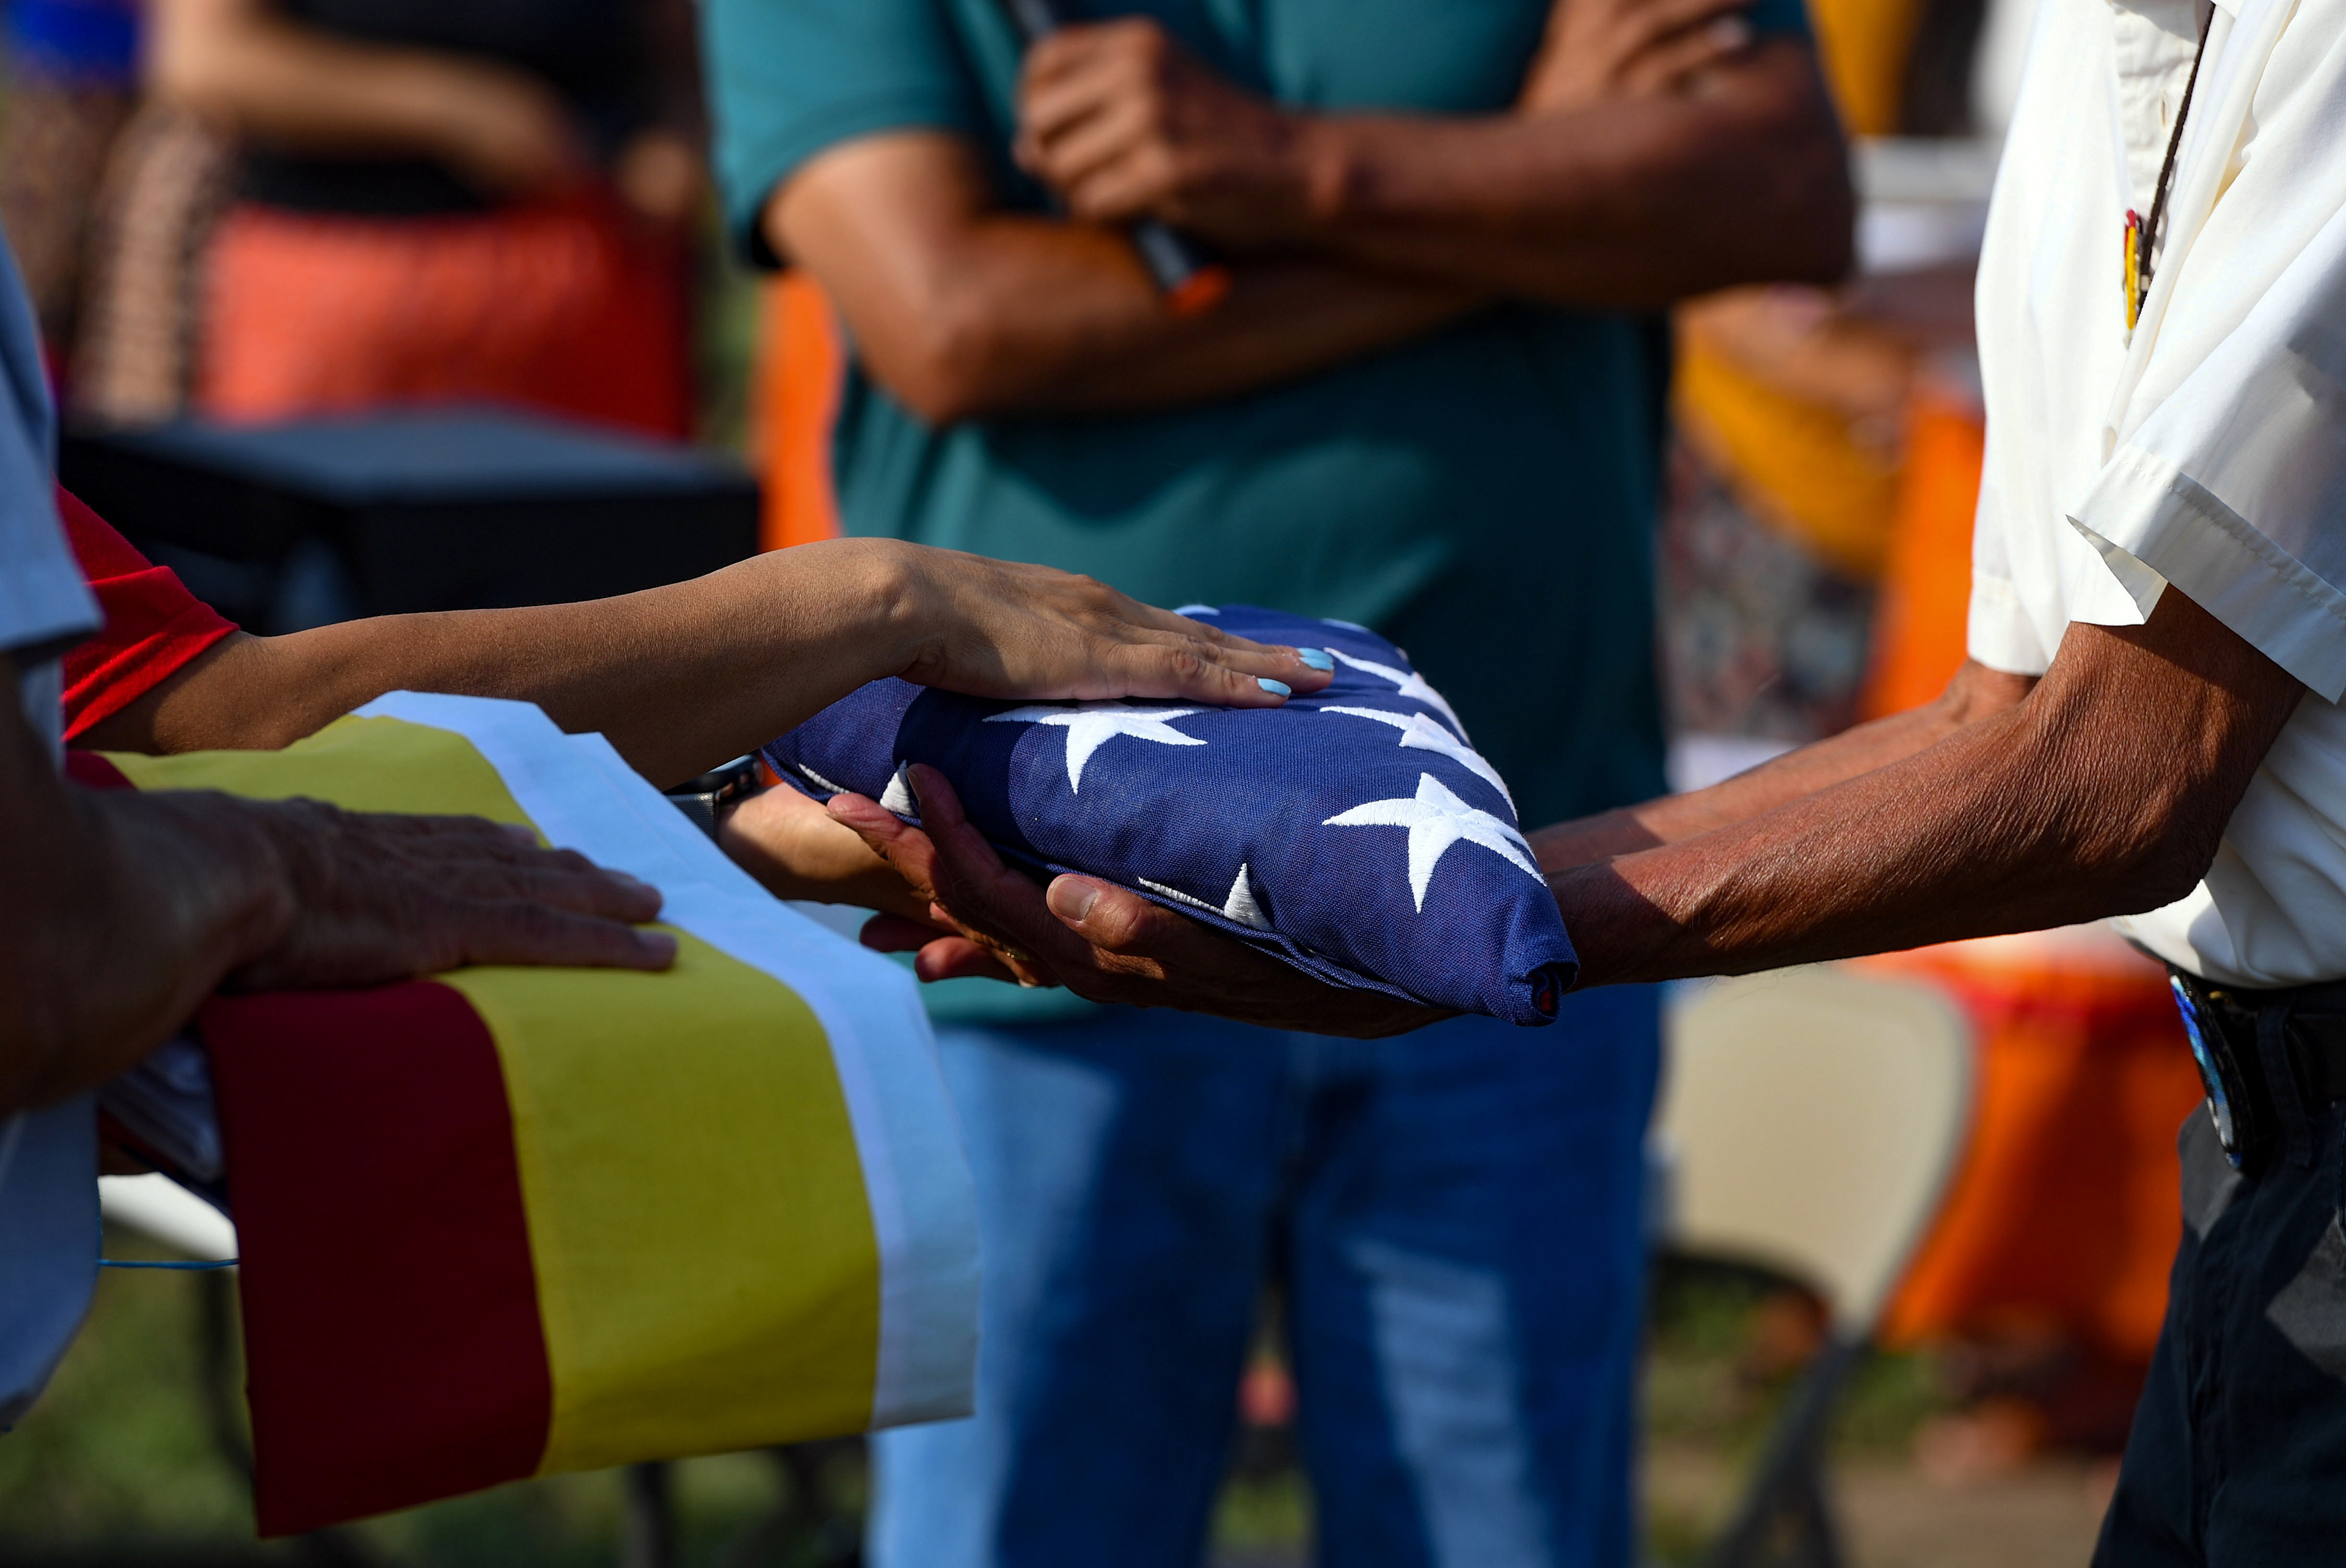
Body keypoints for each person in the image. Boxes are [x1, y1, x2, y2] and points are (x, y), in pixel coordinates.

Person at [835, 0, 2346, 1557]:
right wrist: (1521, 186)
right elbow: (2000, 719)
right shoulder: (2105, 48)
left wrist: (1427, 922)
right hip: (2260, 1164)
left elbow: (2105, 768)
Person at [704, 0, 1850, 1561]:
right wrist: (1519, 189)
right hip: (1027, 926)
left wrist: (1281, 171)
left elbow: (1776, 193)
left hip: (1526, 888)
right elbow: (952, 317)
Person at [145, 0, 706, 434]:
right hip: (344, 288)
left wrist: (678, 140)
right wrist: (451, 109)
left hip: (587, 276)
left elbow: (683, 52)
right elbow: (206, 62)